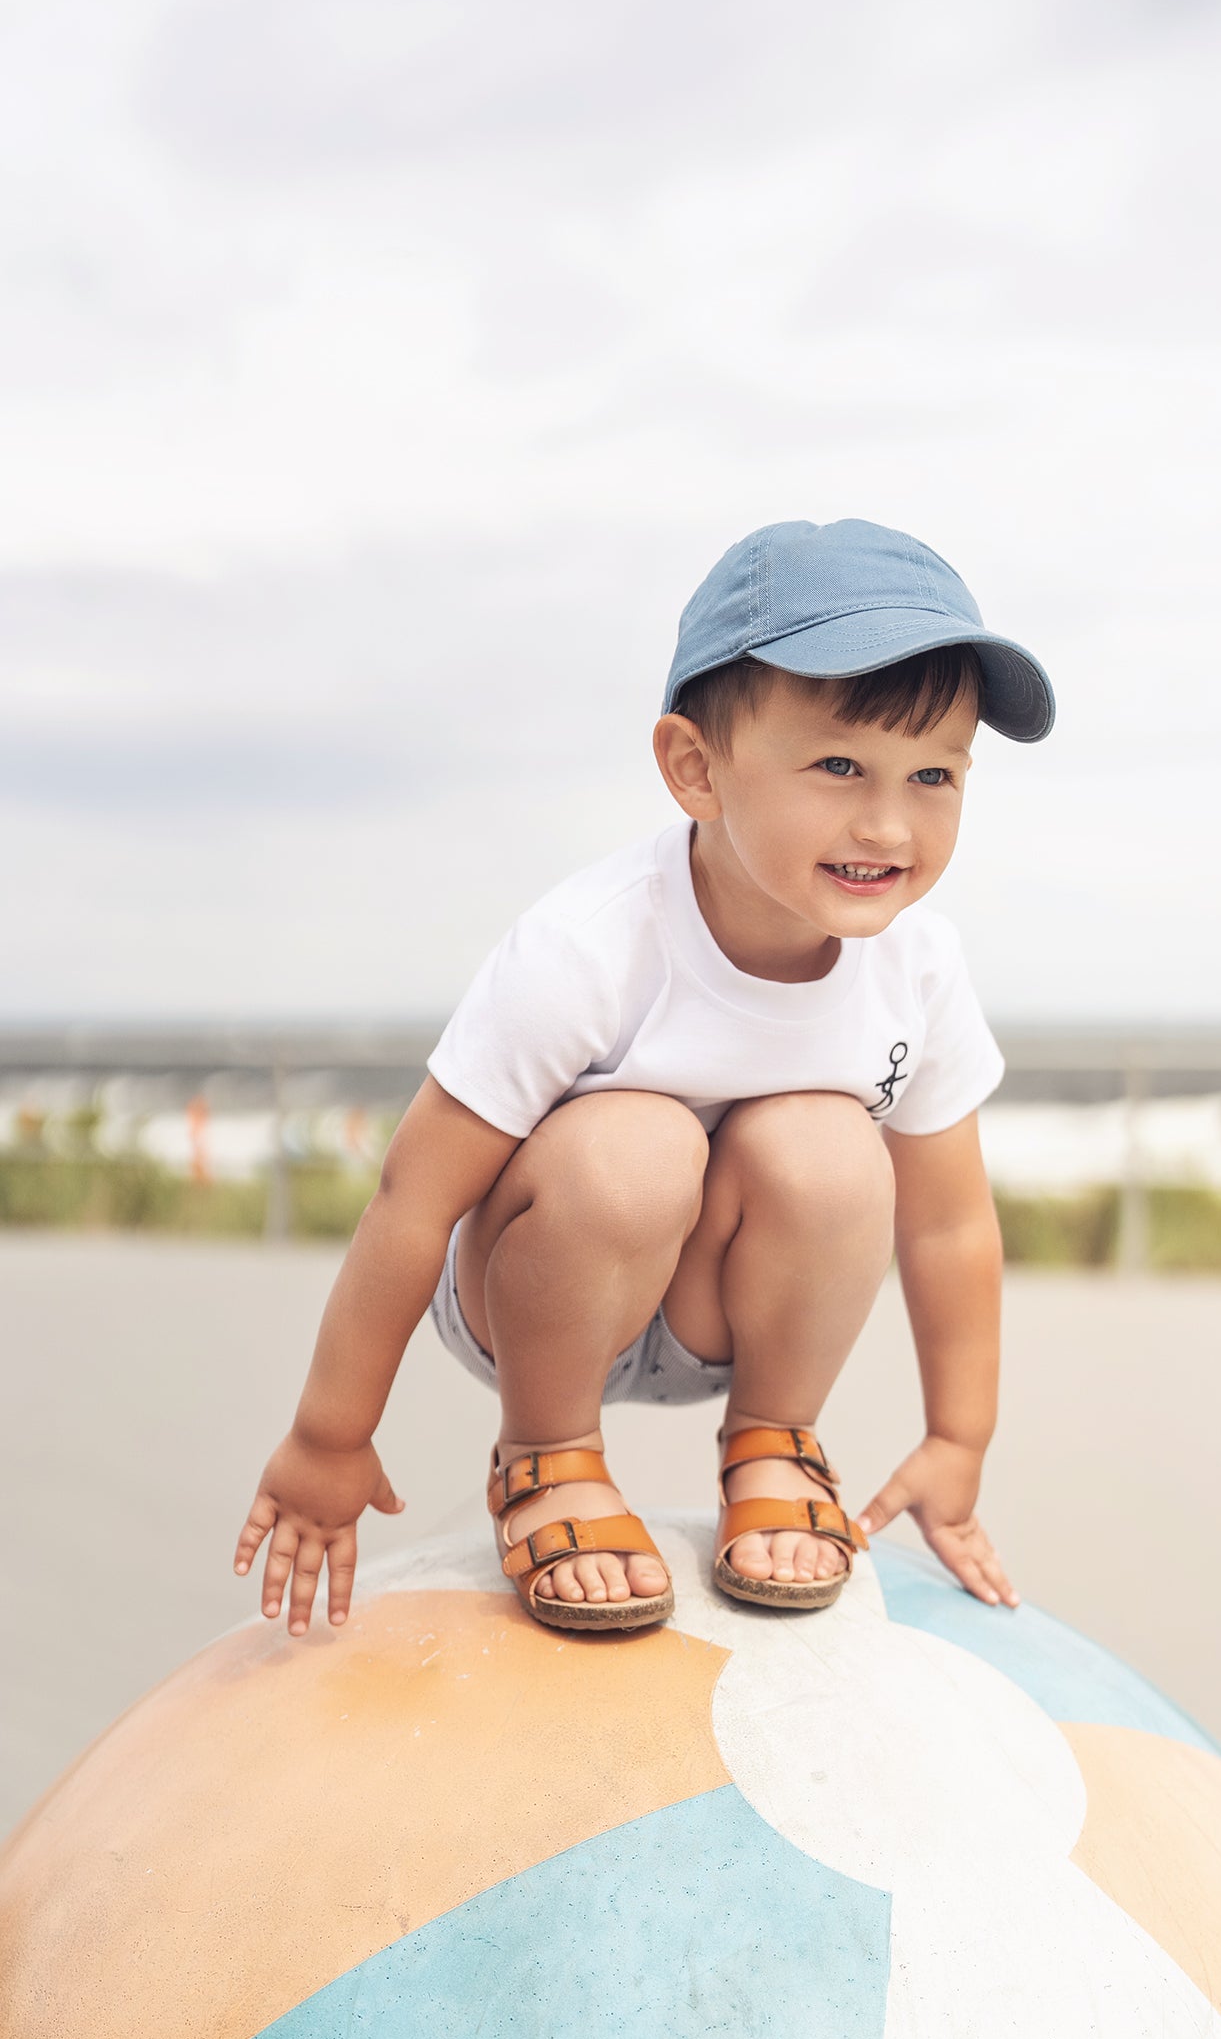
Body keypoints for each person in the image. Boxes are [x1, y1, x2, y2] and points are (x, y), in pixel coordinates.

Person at [234, 518, 1055, 1634]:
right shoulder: (589, 948)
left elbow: (949, 1227)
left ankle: (773, 1441)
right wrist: (329, 1436)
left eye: (933, 776)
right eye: (837, 766)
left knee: (827, 1144)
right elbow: (414, 1197)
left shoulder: (916, 968)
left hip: (733, 1309)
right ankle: (549, 1455)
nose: (887, 822)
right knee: (637, 1143)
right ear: (695, 769)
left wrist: (958, 1442)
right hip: (543, 1294)